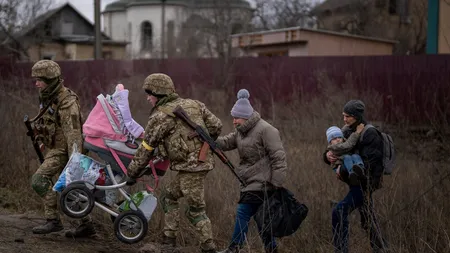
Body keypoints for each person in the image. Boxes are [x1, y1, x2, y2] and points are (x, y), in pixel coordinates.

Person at [125, 73, 223, 253]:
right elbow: (216, 126)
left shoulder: (160, 117)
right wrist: (204, 145)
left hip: (191, 168)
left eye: (150, 94)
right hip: (200, 164)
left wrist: (131, 173)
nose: (148, 98)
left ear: (159, 94)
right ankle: (168, 240)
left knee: (195, 209)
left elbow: (146, 149)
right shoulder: (195, 104)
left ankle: (208, 248)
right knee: (168, 197)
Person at [29, 60, 97, 237]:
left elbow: (73, 134)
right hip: (55, 147)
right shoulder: (47, 96)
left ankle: (53, 220)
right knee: (70, 188)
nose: (36, 83)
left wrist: (75, 161)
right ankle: (87, 225)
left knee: (39, 180)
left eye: (39, 80)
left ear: (50, 80)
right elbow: (49, 123)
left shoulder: (67, 102)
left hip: (65, 151)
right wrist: (43, 138)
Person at [216, 89, 287, 253]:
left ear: (246, 117)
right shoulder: (241, 132)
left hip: (264, 182)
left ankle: (234, 248)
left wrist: (276, 183)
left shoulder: (267, 130)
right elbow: (225, 143)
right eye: (233, 118)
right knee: (261, 219)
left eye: (236, 118)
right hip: (249, 181)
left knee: (243, 211)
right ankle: (271, 249)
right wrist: (208, 137)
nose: (233, 121)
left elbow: (279, 157)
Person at [323, 99, 388, 253]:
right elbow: (336, 145)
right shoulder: (347, 130)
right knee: (368, 220)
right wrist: (327, 156)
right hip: (354, 183)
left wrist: (344, 172)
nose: (344, 119)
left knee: (339, 211)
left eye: (348, 116)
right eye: (343, 116)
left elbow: (371, 167)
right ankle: (382, 249)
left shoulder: (370, 133)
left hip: (364, 185)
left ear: (357, 116)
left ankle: (341, 250)